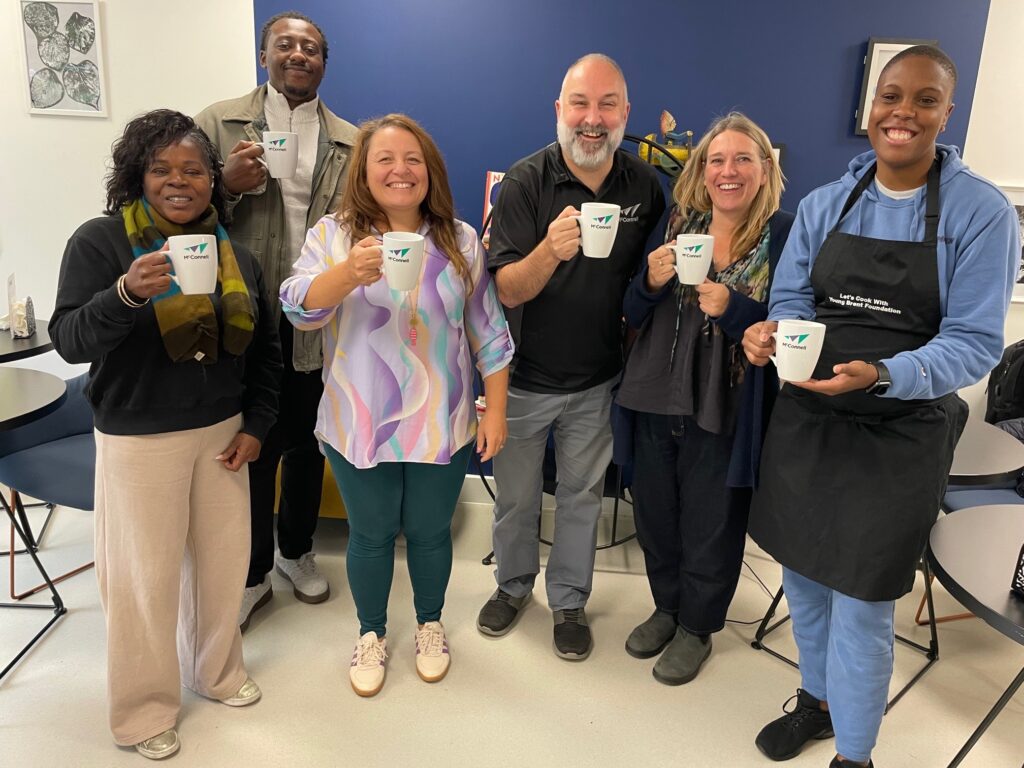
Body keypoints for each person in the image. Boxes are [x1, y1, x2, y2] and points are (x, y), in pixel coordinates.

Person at [742, 46, 1020, 768]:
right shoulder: (827, 203)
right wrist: (778, 333)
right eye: (890, 97)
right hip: (809, 420)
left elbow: (974, 343)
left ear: (946, 113)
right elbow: (795, 296)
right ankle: (817, 702)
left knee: (864, 604)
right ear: (871, 111)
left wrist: (884, 374)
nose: (903, 113)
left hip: (901, 433)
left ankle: (856, 755)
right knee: (801, 578)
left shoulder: (981, 213)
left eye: (924, 100)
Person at [49, 110, 282, 760]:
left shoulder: (231, 250)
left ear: (214, 180)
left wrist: (258, 426)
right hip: (139, 439)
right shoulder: (100, 243)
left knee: (222, 566)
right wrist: (124, 294)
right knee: (143, 581)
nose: (179, 182)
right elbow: (68, 340)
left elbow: (265, 349)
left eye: (194, 170)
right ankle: (143, 712)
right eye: (162, 169)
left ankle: (217, 673)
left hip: (223, 436)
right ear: (137, 176)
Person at [280, 114, 514, 696]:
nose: (399, 170)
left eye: (411, 159)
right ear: (363, 170)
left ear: (428, 171)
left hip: (443, 420)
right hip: (358, 420)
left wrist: (498, 411)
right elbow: (298, 308)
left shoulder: (459, 240)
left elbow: (489, 332)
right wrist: (347, 273)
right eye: (383, 159)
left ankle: (430, 625)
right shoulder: (332, 236)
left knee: (431, 531)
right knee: (371, 533)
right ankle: (371, 633)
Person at [478, 53, 665, 660]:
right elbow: (505, 289)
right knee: (516, 498)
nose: (594, 119)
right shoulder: (524, 183)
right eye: (580, 104)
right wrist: (550, 252)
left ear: (625, 113)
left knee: (583, 496)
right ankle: (511, 587)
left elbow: (643, 286)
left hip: (598, 380)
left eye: (607, 104)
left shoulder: (642, 185)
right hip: (524, 380)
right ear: (559, 111)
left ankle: (568, 602)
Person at [615, 113, 793, 685]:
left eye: (743, 159)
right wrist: (648, 282)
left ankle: (697, 627)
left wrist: (736, 309)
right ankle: (666, 609)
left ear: (765, 170)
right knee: (656, 513)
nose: (728, 170)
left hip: (727, 403)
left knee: (713, 521)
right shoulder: (676, 224)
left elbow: (794, 325)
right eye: (717, 160)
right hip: (654, 393)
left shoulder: (784, 235)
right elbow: (632, 311)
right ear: (701, 170)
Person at [195, 11, 357, 628]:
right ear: (265, 54)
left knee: (310, 437)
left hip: (320, 310)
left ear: (324, 62)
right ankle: (253, 571)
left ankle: (297, 550)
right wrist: (225, 188)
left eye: (312, 48)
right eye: (286, 44)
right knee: (253, 443)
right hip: (244, 312)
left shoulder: (349, 138)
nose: (299, 54)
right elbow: (175, 209)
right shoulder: (218, 123)